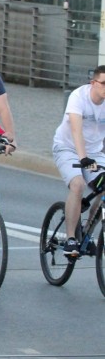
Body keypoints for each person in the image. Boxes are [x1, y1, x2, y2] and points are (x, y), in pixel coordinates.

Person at [52, 66, 105, 258]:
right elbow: (76, 129)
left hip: (94, 152)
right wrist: (83, 158)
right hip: (67, 148)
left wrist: (92, 157)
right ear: (93, 83)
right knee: (78, 184)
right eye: (104, 83)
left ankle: (87, 228)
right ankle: (71, 238)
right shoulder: (78, 97)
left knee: (104, 186)